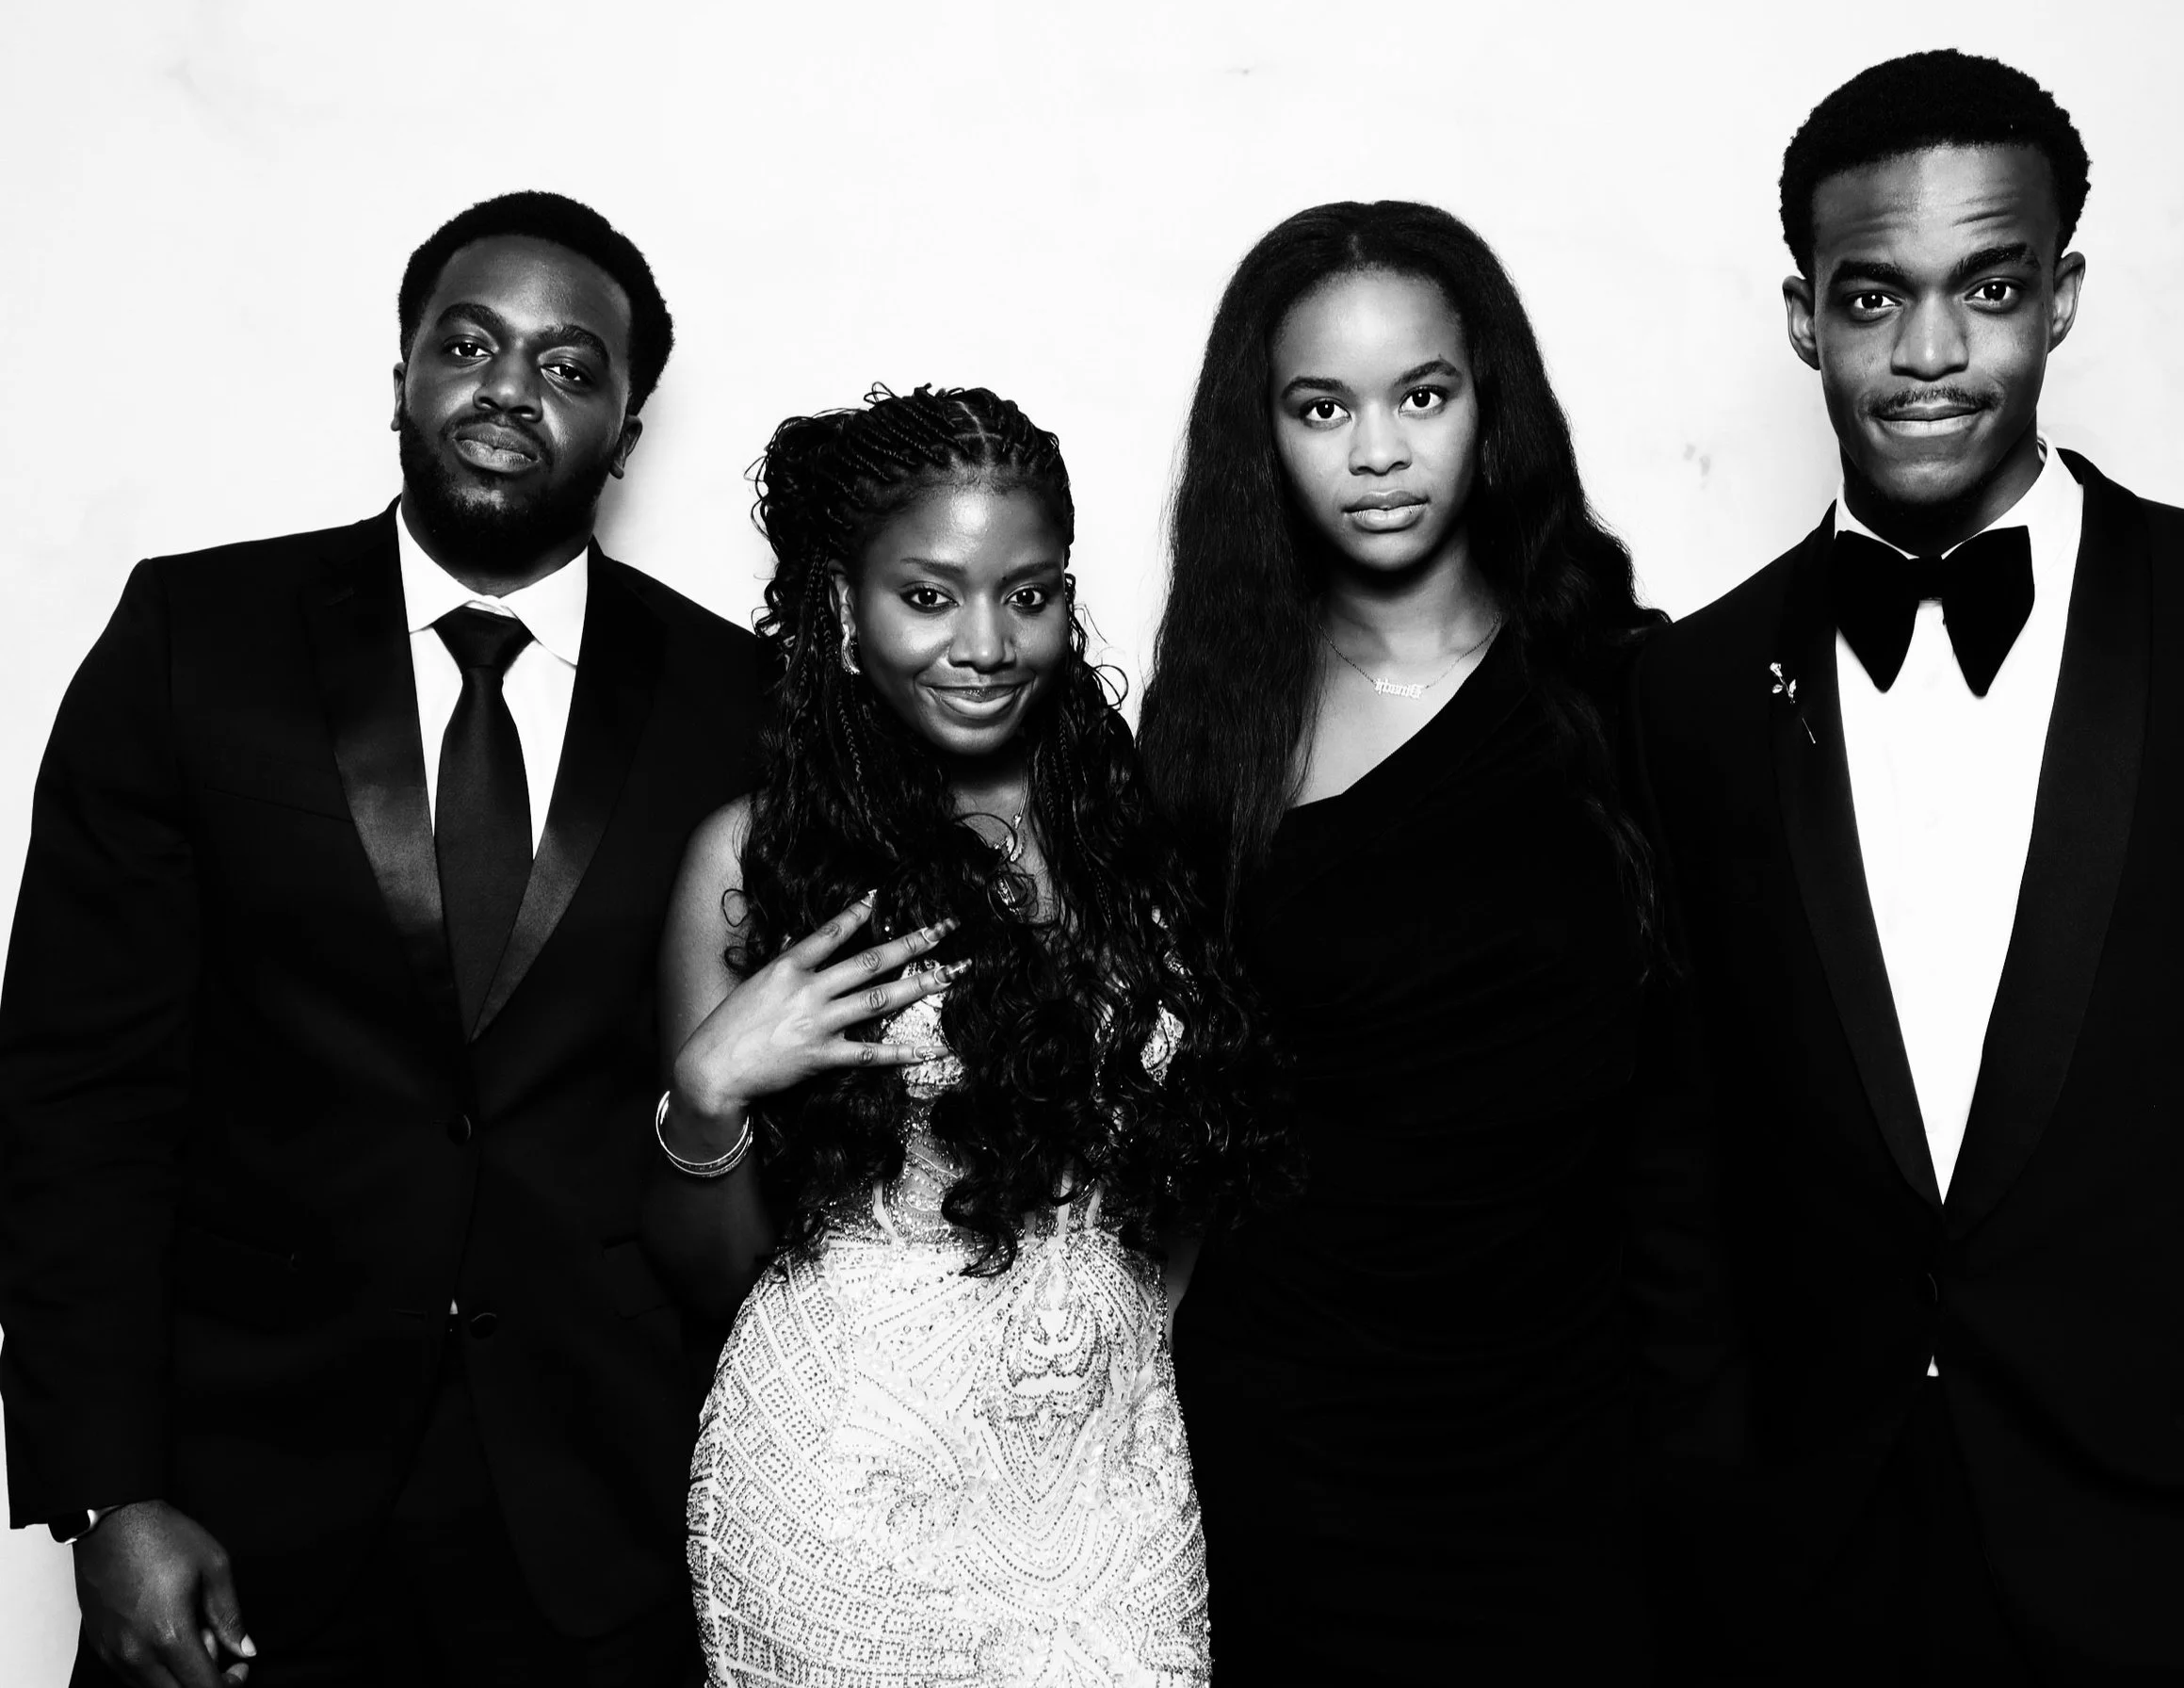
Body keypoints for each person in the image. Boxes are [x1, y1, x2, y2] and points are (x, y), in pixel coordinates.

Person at [1634, 50, 2184, 1680]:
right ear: (1806, 318)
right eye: (1876, 297)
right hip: (1828, 1566)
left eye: (1993, 287)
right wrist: (1720, 1495)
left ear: (2065, 296)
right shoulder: (1687, 691)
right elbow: (1683, 1155)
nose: (1934, 351)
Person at [0, 190, 762, 1686]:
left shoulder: (741, 702)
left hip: (597, 1518)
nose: (508, 389)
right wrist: (107, 1494)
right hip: (238, 1503)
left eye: (569, 364)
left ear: (629, 421)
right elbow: (77, 1092)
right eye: (469, 343)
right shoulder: (192, 639)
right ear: (401, 371)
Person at [1138, 202, 1705, 1682]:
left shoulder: (1637, 693)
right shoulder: (1212, 732)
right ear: (1262, 436)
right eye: (1323, 407)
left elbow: (1709, 1099)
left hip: (1581, 1429)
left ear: (1488, 405)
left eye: (1423, 396)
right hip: (1303, 1441)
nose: (1378, 452)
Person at [645, 385, 1284, 1687]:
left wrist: (1108, 1333)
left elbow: (1202, 1159)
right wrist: (708, 1090)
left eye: (1029, 593)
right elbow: (710, 1278)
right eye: (928, 596)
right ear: (844, 607)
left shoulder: (1145, 838)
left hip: (1109, 1478)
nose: (987, 643)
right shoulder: (754, 862)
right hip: (846, 1482)